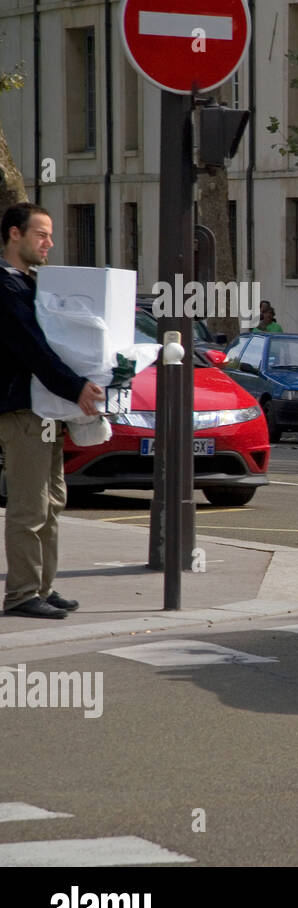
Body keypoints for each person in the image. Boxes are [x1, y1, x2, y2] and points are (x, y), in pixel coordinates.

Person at [0, 203, 104, 619]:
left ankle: (42, 586)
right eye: (41, 234)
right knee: (30, 504)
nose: (50, 243)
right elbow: (33, 348)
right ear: (14, 234)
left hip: (45, 408)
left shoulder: (34, 284)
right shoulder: (5, 288)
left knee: (53, 500)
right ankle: (22, 594)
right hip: (22, 409)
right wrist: (75, 386)